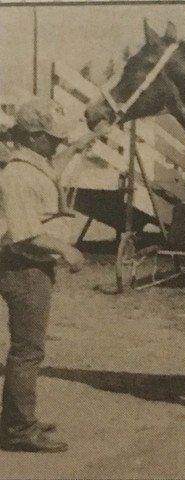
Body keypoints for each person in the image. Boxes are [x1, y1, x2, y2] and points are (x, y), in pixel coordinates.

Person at [0, 97, 85, 453]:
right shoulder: (17, 174)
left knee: (28, 347)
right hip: (25, 266)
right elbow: (25, 232)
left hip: (34, 265)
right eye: (52, 138)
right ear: (33, 136)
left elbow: (55, 169)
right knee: (27, 349)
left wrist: (81, 143)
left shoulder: (33, 163)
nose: (58, 144)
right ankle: (19, 429)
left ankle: (18, 418)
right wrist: (66, 248)